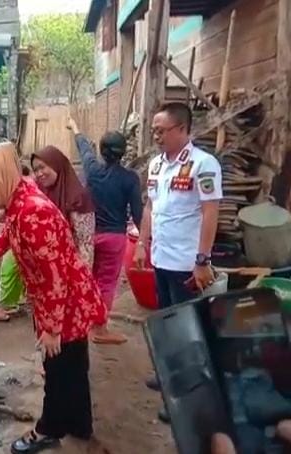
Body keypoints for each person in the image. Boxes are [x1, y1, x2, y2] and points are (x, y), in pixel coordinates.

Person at [0, 142, 107, 454]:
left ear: (1, 180)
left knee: (58, 367)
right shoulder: (19, 200)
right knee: (72, 366)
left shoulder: (33, 212)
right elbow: (7, 233)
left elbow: (55, 272)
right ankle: (79, 425)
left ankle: (49, 428)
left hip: (63, 301)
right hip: (58, 297)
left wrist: (53, 327)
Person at [133, 102, 222, 423]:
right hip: (162, 258)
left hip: (187, 262)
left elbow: (211, 212)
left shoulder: (204, 164)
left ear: (183, 129)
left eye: (161, 131)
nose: (156, 136)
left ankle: (190, 396)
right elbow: (148, 208)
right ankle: (172, 376)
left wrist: (203, 260)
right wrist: (142, 244)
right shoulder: (157, 165)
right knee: (168, 321)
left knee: (190, 328)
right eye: (154, 131)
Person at [69, 117, 143, 345]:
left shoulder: (92, 171)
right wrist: (145, 242)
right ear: (123, 153)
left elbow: (83, 148)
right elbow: (139, 213)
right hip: (115, 238)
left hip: (89, 236)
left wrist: (75, 126)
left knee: (87, 280)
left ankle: (81, 323)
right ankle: (100, 328)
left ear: (102, 151)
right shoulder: (131, 178)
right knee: (106, 283)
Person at [0, 165, 34, 323]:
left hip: (26, 237)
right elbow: (7, 212)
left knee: (9, 266)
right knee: (15, 268)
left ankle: (3, 306)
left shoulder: (26, 191)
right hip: (21, 236)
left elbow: (11, 218)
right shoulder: (19, 191)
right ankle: (12, 303)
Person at [31, 146, 96, 268]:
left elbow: (85, 244)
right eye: (35, 170)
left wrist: (82, 278)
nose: (39, 174)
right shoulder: (40, 195)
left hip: (70, 268)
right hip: (45, 269)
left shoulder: (77, 198)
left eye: (42, 167)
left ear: (56, 165)